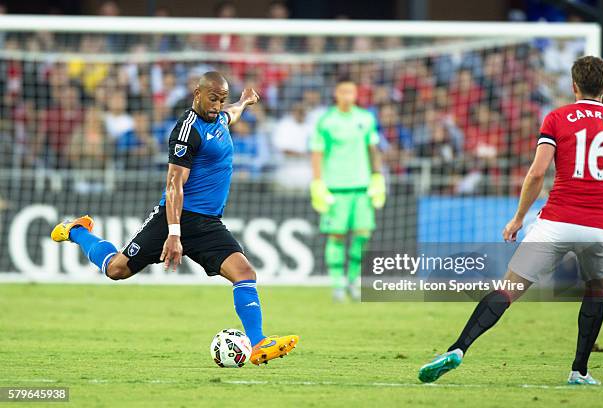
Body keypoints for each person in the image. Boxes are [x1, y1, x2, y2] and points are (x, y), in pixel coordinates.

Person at [51, 72, 299, 365]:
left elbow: (230, 114)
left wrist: (243, 101)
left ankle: (258, 344)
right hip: (175, 218)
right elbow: (174, 186)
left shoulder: (219, 118)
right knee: (117, 270)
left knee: (244, 273)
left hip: (207, 223)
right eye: (213, 99)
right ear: (197, 93)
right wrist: (173, 233)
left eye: (221, 100)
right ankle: (78, 230)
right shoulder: (186, 132)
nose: (218, 106)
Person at [418, 56, 603, 385]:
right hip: (601, 227)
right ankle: (579, 370)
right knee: (596, 289)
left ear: (573, 86)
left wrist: (518, 218)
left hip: (557, 220)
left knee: (508, 288)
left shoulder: (557, 117)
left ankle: (458, 348)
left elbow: (537, 173)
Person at [310, 77, 386, 302]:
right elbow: (317, 152)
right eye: (343, 91)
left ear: (356, 94)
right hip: (335, 188)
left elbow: (373, 149)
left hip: (362, 187)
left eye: (351, 92)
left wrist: (377, 177)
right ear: (336, 93)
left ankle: (353, 281)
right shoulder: (326, 121)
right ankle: (337, 285)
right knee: (336, 236)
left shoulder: (365, 118)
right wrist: (317, 182)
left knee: (362, 235)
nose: (347, 96)